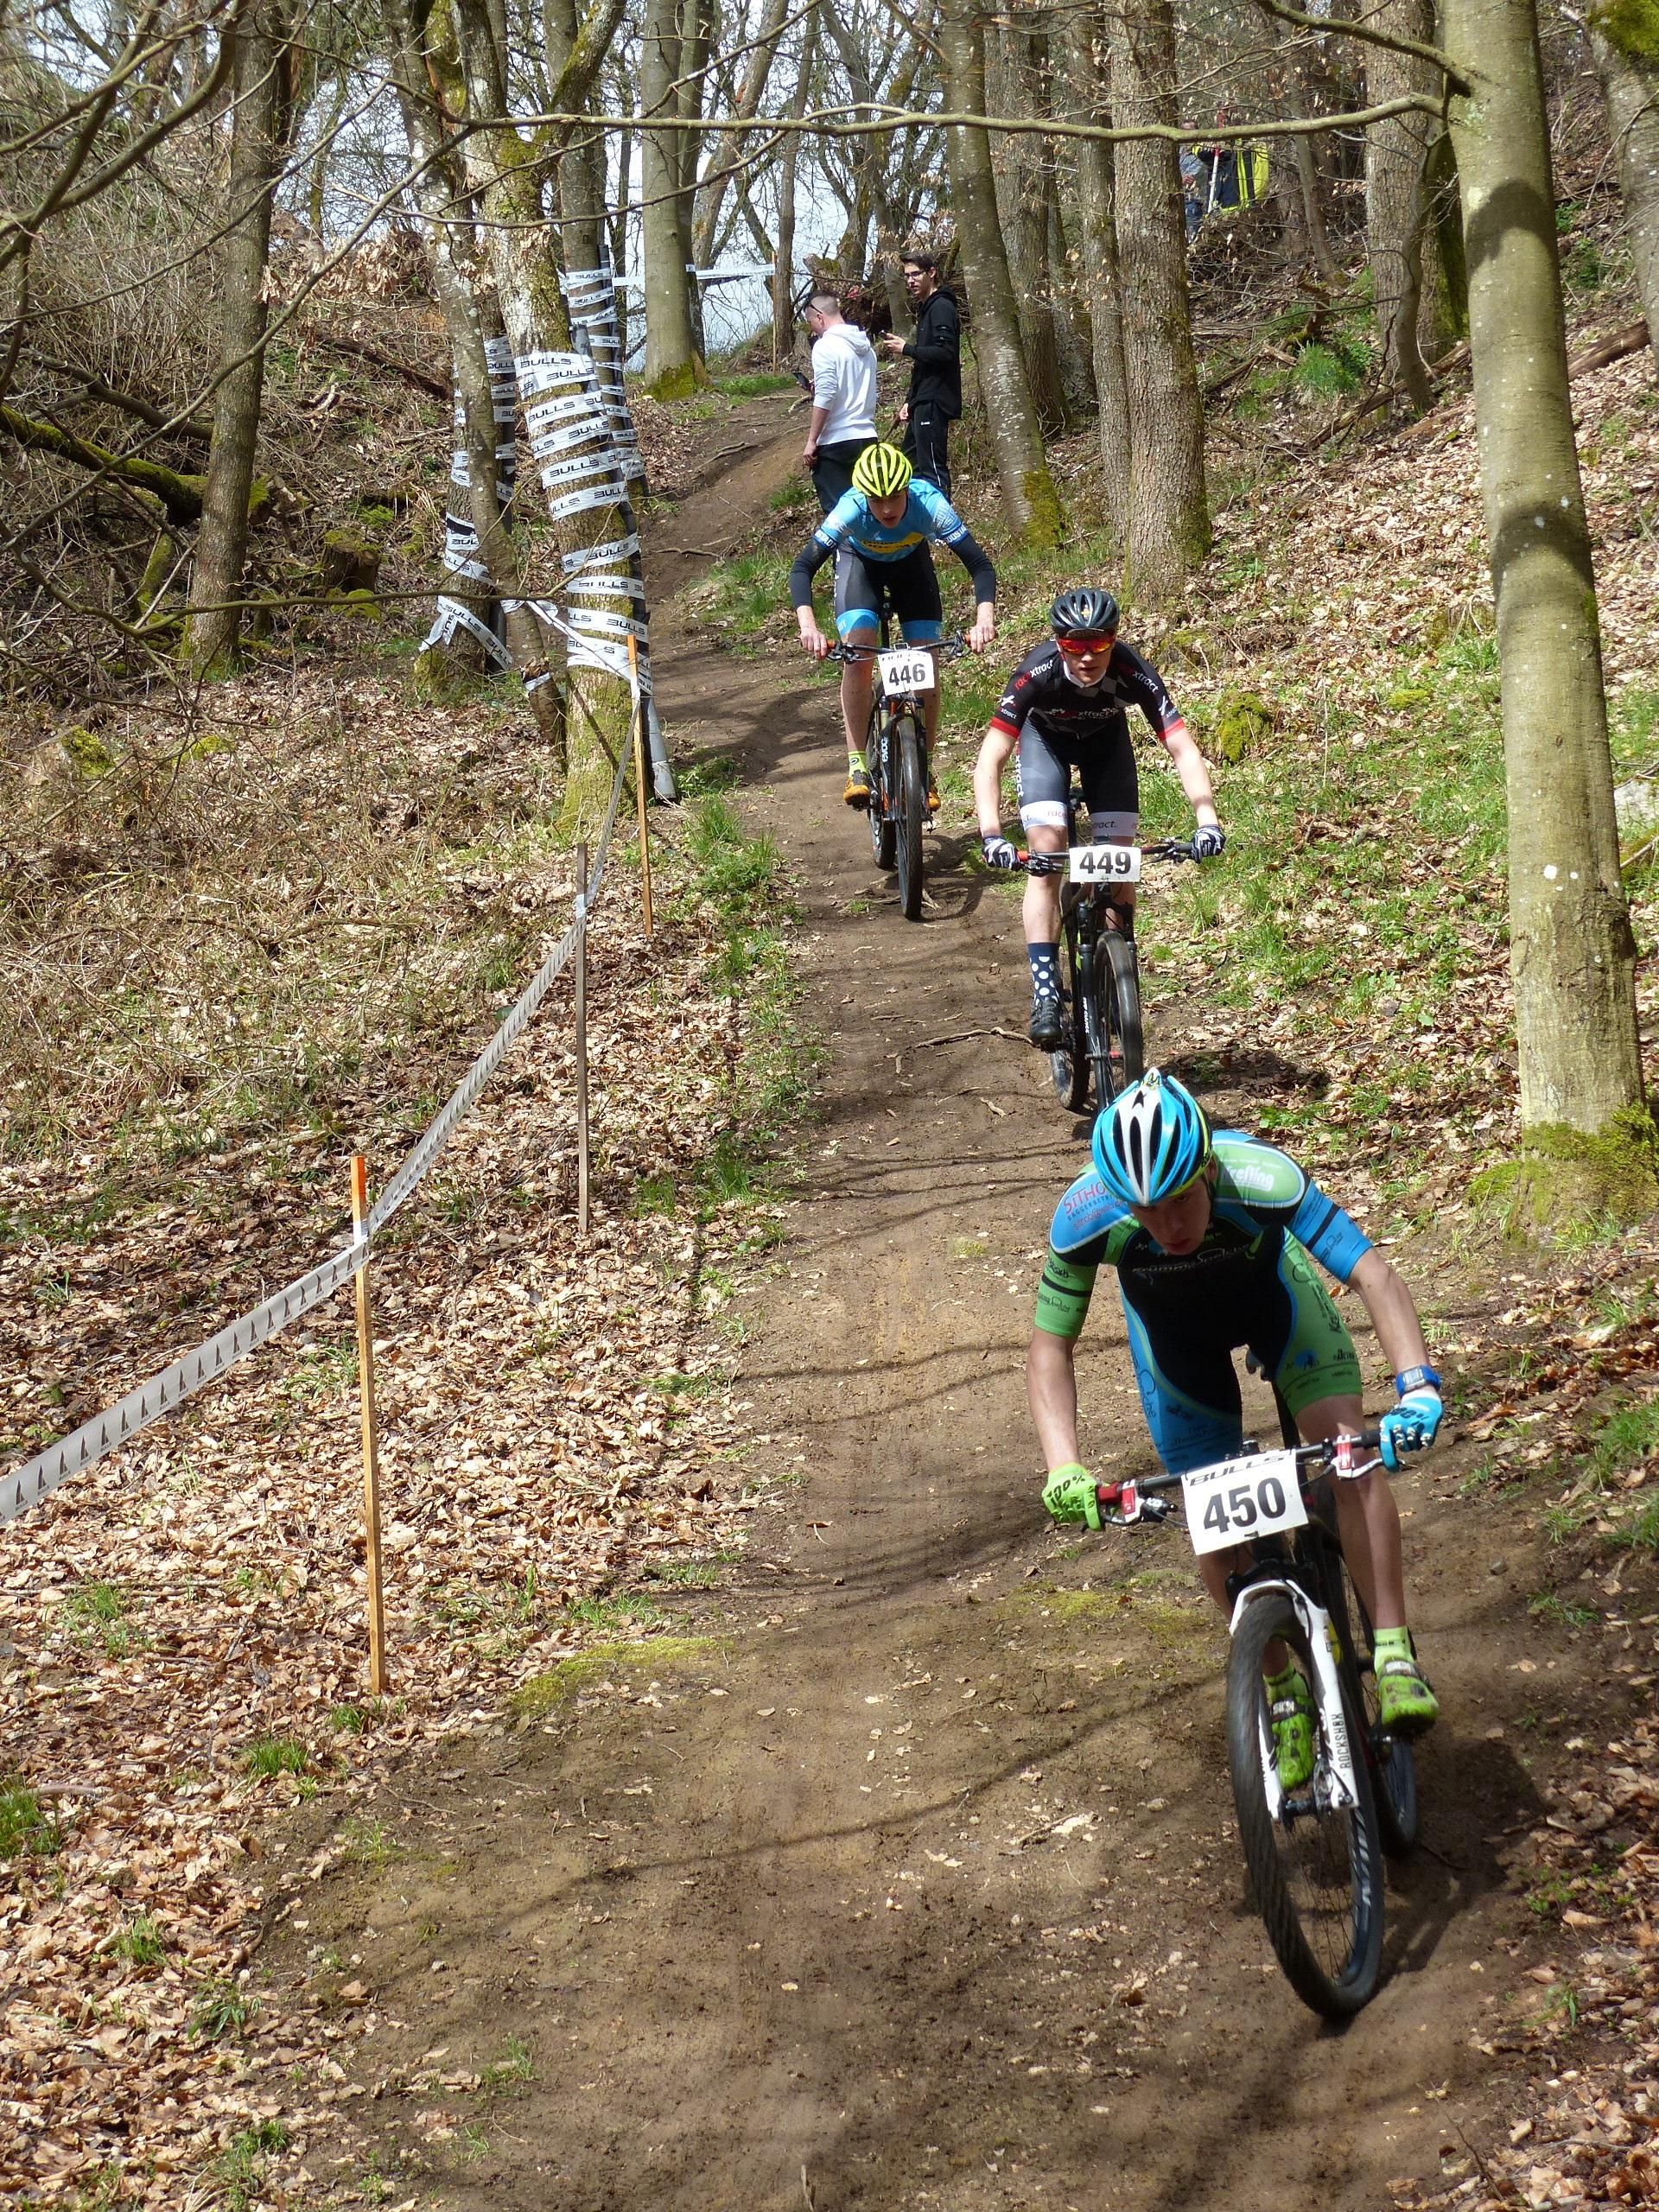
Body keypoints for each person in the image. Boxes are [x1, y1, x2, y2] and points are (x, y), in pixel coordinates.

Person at [1027, 1067, 1443, 1788]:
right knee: (1208, 1512)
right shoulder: (1085, 1215)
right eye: (1147, 1211)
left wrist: (1417, 1387)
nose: (1168, 1226)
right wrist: (1064, 1463)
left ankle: (1393, 1652)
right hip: (1176, 1348)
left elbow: (1372, 1275)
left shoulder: (1261, 1176)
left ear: (1208, 1170)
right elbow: (1049, 1348)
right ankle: (1280, 1687)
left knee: (1350, 1455)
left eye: (1181, 1200)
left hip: (1277, 1309)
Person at [973, 586, 1224, 1049]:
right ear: (1059, 643)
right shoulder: (1036, 672)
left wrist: (1206, 819)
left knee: (1119, 858)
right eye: (1074, 644)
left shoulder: (1131, 669)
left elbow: (1182, 747)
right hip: (1044, 744)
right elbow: (992, 757)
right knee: (1047, 850)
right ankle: (1046, 993)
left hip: (1106, 745)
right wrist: (992, 834)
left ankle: (1116, 969)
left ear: (1114, 639)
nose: (1087, 656)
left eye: (1099, 643)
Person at [790, 441, 995, 809]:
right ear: (863, 496)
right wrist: (809, 627)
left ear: (907, 490)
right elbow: (803, 568)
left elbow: (979, 565)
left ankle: (924, 768)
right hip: (860, 567)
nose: (886, 509)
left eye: (895, 498)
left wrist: (984, 620)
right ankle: (857, 765)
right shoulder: (849, 509)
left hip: (911, 568)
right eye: (876, 500)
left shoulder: (929, 503)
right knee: (860, 650)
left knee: (926, 660)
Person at [879, 251, 962, 497]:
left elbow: (946, 353)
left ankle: (943, 520)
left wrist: (907, 349)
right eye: (907, 276)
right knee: (910, 470)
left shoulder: (942, 307)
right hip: (922, 401)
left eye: (916, 274)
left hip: (935, 401)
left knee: (932, 471)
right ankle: (919, 521)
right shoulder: (927, 308)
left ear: (932, 273)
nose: (910, 281)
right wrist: (910, 401)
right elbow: (923, 364)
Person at [801, 291, 878, 513]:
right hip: (867, 438)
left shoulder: (825, 346)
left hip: (836, 443)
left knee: (840, 517)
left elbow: (827, 394)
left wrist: (812, 440)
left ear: (820, 317)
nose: (812, 329)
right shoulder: (866, 348)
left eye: (810, 322)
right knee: (870, 511)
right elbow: (852, 386)